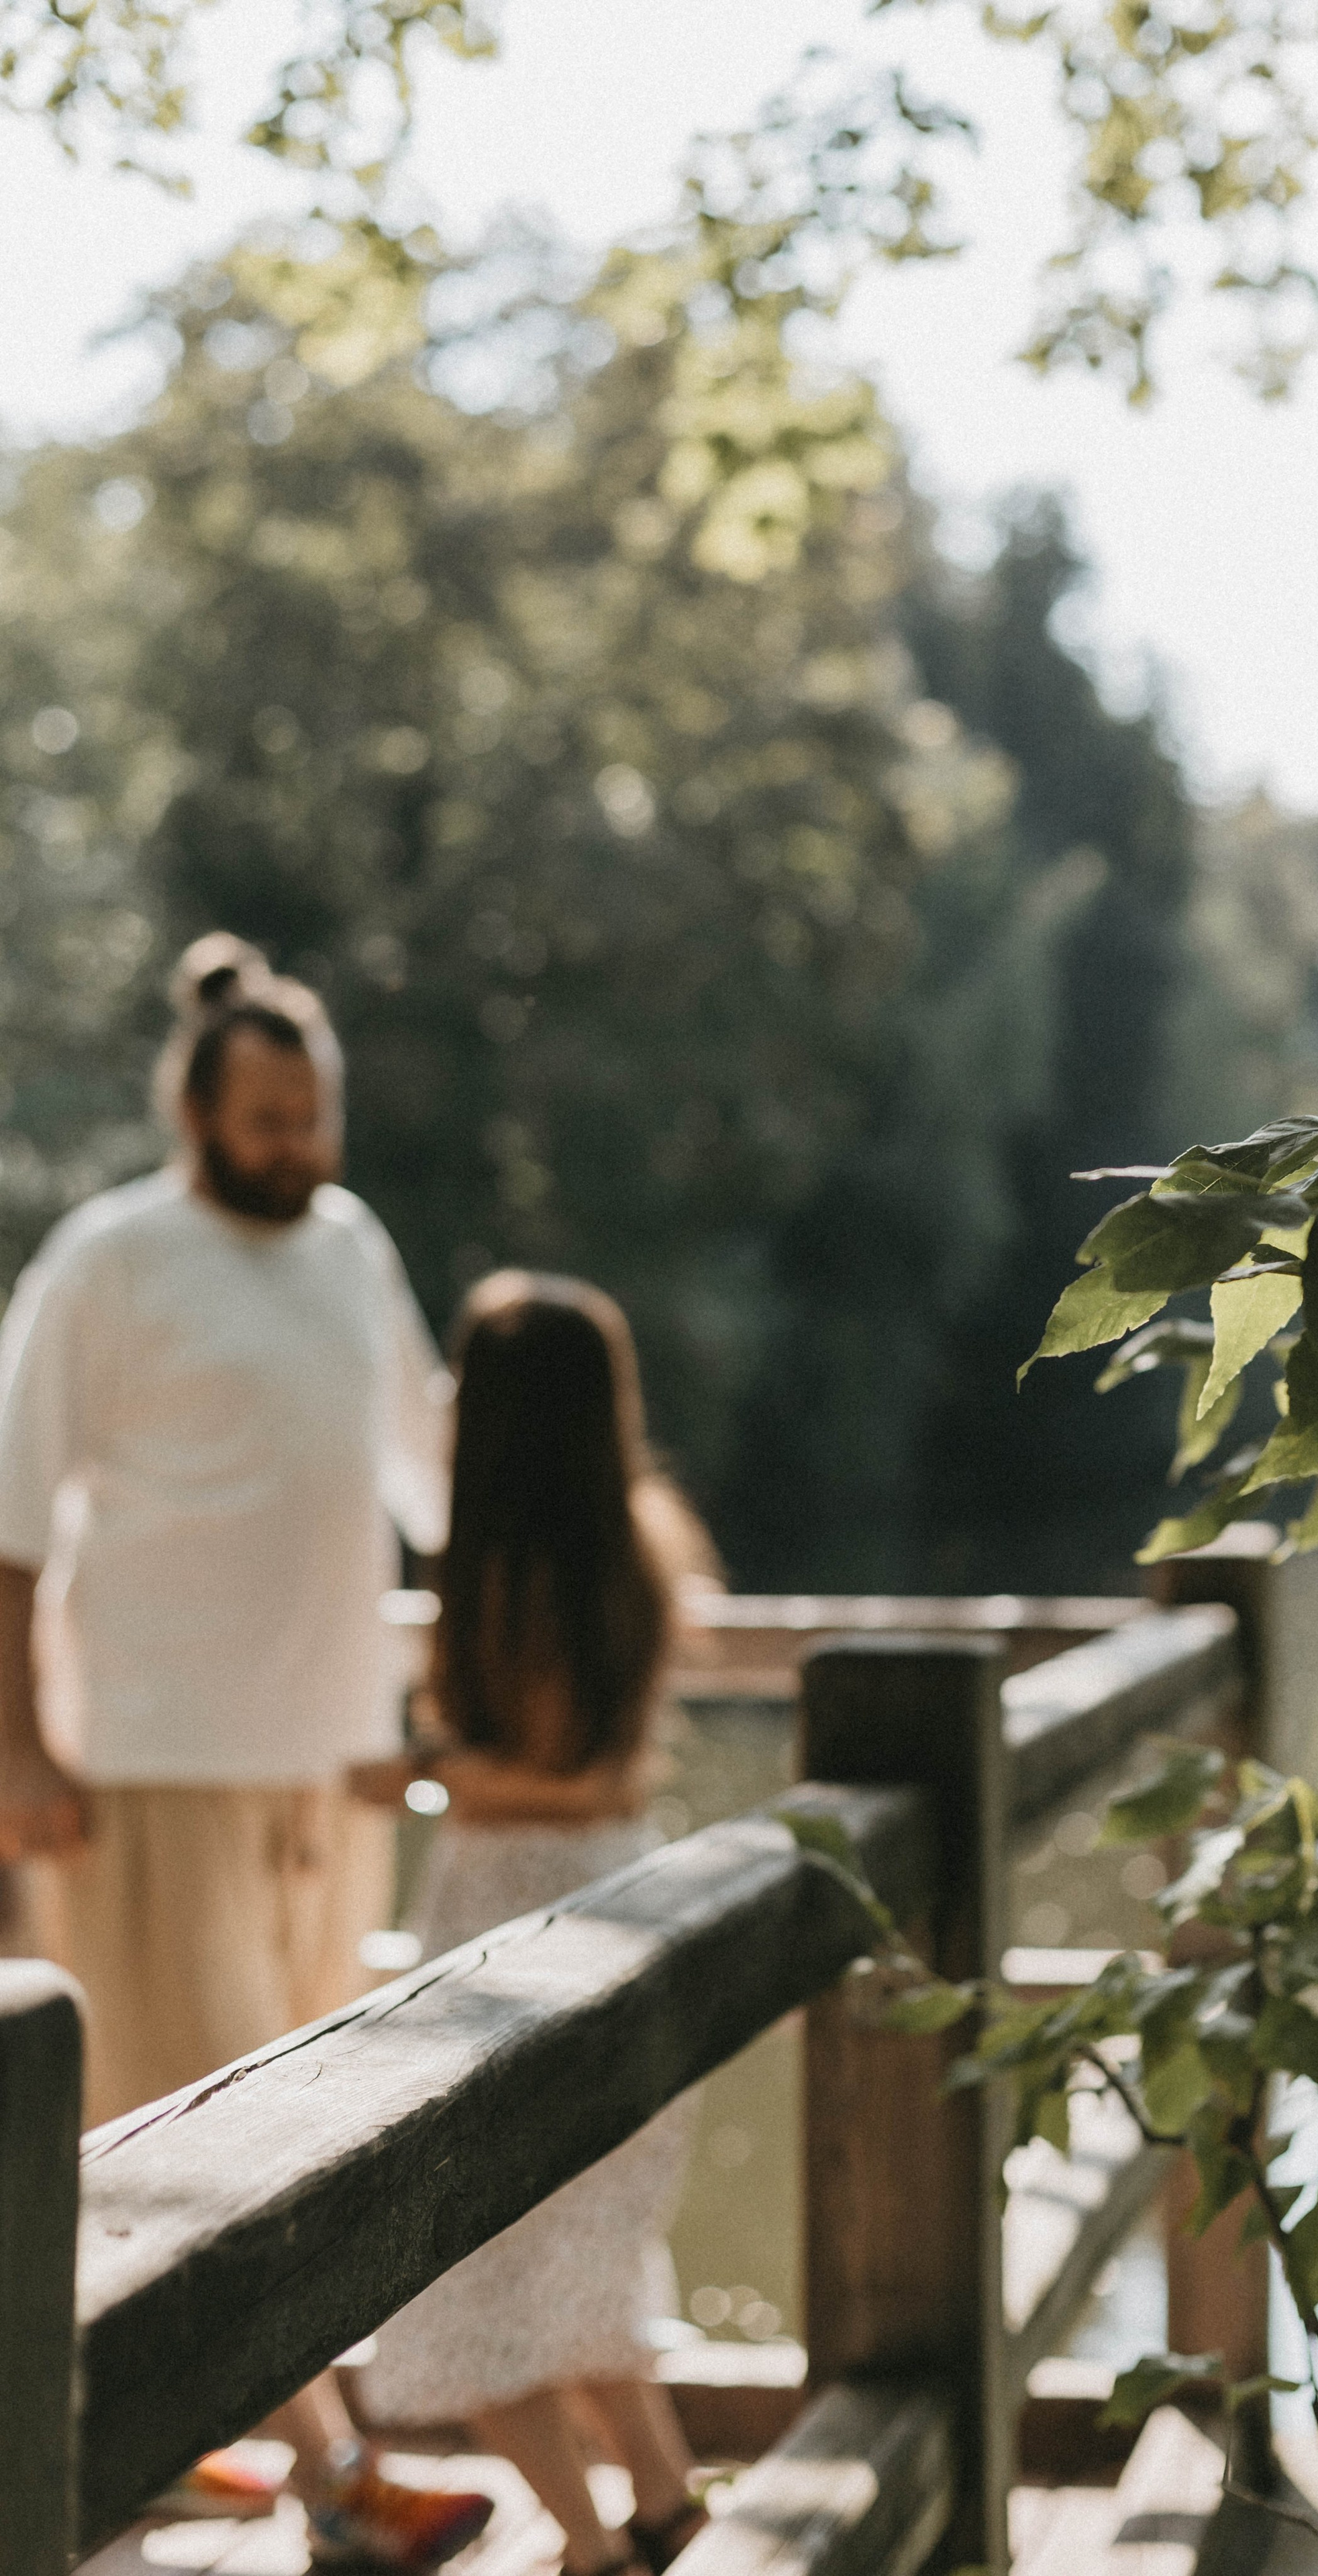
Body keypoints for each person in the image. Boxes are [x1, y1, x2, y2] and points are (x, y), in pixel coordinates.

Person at [0, 934, 494, 2567]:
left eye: (315, 1116)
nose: (299, 1147)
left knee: (306, 2117)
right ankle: (342, 2483)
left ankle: (150, 2428)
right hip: (139, 1761)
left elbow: (432, 1482)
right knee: (184, 2111)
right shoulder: (108, 1259)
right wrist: (18, 1752)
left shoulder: (352, 1247)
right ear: (197, 1109)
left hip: (324, 1764)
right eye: (270, 1118)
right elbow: (7, 1536)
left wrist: (441, 1700)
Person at [350, 1273, 721, 2576]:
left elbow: (547, 1772)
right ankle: (666, 2506)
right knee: (583, 2271)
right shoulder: (644, 1537)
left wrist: (405, 1778)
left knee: (468, 2285)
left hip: (513, 1912)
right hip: (625, 1889)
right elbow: (613, 1778)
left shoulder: (509, 1567)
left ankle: (588, 2547)